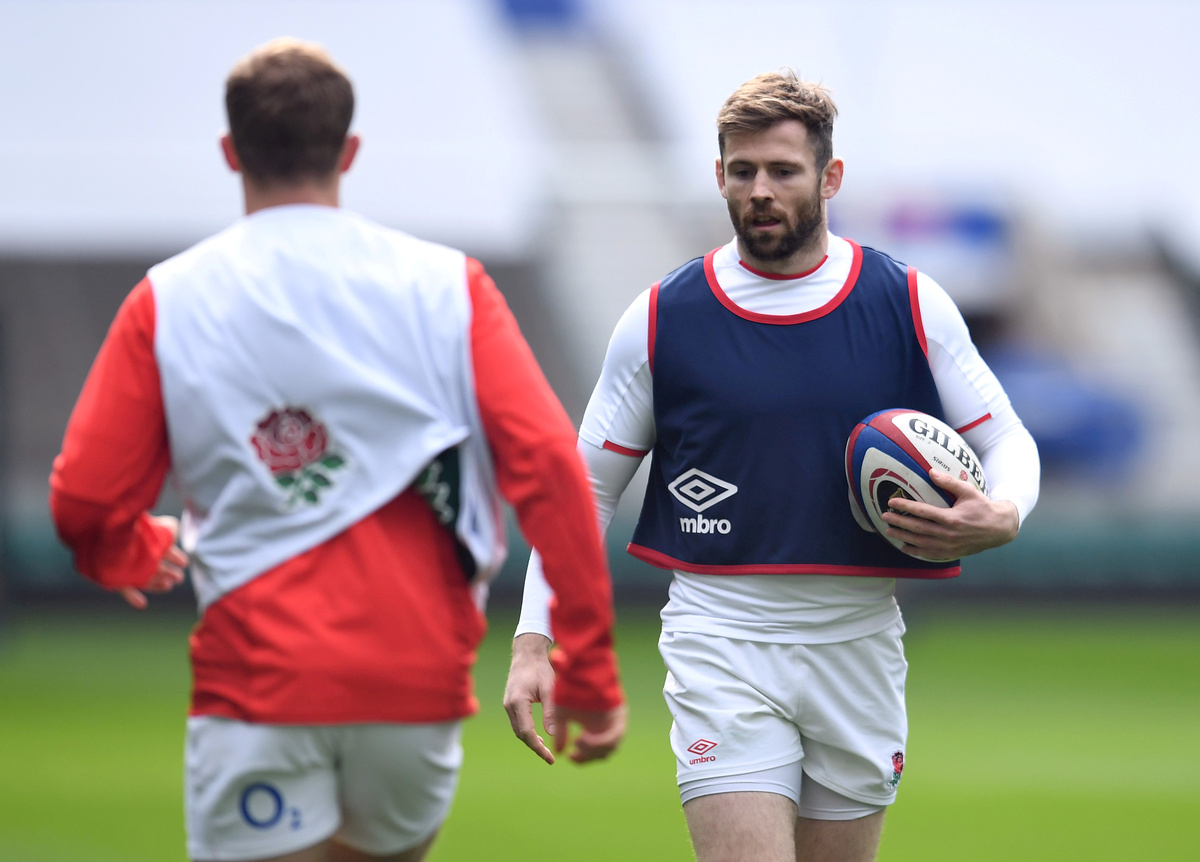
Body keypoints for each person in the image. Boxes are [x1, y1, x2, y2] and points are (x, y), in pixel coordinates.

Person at [50, 38, 625, 862]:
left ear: (231, 152)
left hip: (258, 683)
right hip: (414, 683)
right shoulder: (449, 285)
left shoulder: (167, 298)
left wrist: (127, 551)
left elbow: (82, 500)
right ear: (348, 151)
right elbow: (548, 470)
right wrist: (590, 665)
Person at [504, 70, 1040, 862]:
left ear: (830, 177)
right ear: (719, 174)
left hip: (859, 648)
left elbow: (1007, 440)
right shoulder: (662, 317)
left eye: (783, 171)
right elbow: (582, 491)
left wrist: (1006, 512)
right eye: (743, 170)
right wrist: (533, 642)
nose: (760, 190)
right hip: (721, 645)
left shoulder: (907, 301)